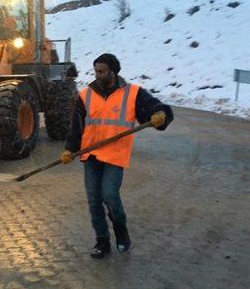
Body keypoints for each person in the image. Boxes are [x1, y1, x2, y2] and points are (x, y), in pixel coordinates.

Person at [61, 53, 174, 258]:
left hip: (115, 155)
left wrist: (160, 114)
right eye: (95, 71)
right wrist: (70, 148)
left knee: (110, 195)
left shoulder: (132, 93)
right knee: (94, 200)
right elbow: (76, 126)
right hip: (90, 154)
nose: (97, 75)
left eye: (101, 71)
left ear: (113, 71)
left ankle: (121, 229)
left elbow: (154, 108)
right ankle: (102, 241)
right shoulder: (86, 95)